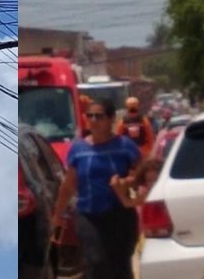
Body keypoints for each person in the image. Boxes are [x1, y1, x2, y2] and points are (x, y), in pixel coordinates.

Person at [51, 101, 141, 279]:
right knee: (96, 261)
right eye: (89, 116)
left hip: (119, 215)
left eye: (98, 116)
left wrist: (127, 182)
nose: (93, 120)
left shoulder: (125, 146)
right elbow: (69, 184)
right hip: (88, 215)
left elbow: (142, 176)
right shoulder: (78, 149)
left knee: (120, 264)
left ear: (111, 119)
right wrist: (57, 214)